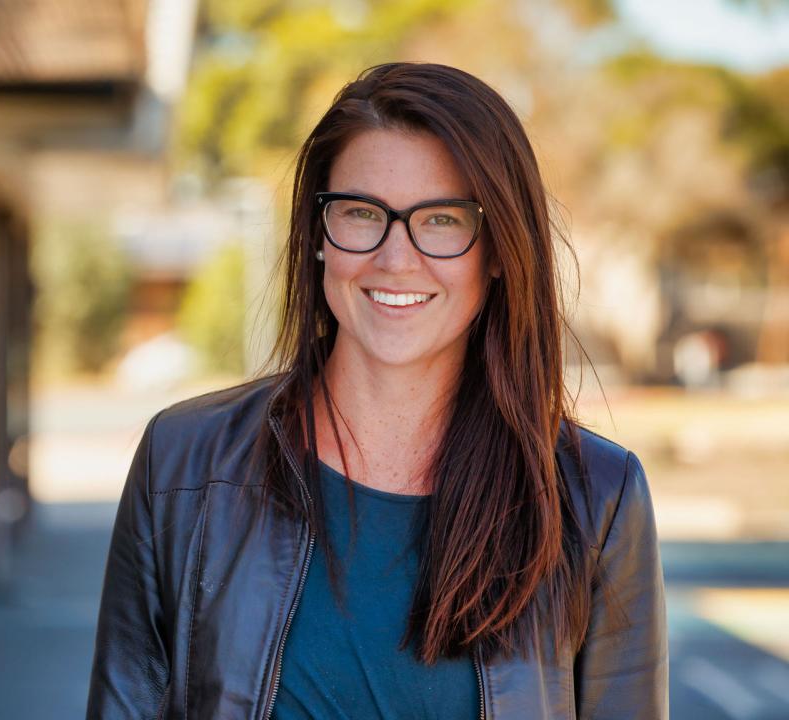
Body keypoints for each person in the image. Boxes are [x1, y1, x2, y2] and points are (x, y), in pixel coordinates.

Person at [86, 62, 668, 719]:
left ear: (500, 251)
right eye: (363, 213)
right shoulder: (185, 462)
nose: (396, 258)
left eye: (442, 220)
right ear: (317, 236)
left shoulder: (597, 497)